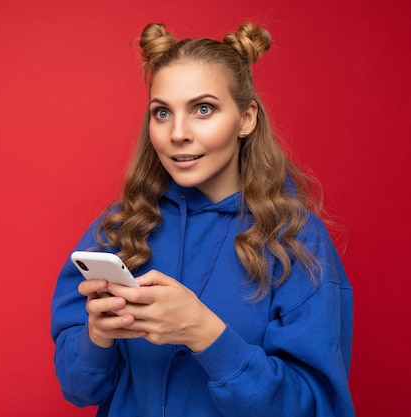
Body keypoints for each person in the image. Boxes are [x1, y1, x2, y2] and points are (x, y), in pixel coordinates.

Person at [51, 21, 354, 417]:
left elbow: (316, 408)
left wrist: (206, 334)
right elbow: (78, 388)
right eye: (162, 112)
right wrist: (97, 337)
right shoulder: (118, 229)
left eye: (203, 109)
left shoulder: (297, 242)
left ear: (246, 119)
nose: (178, 133)